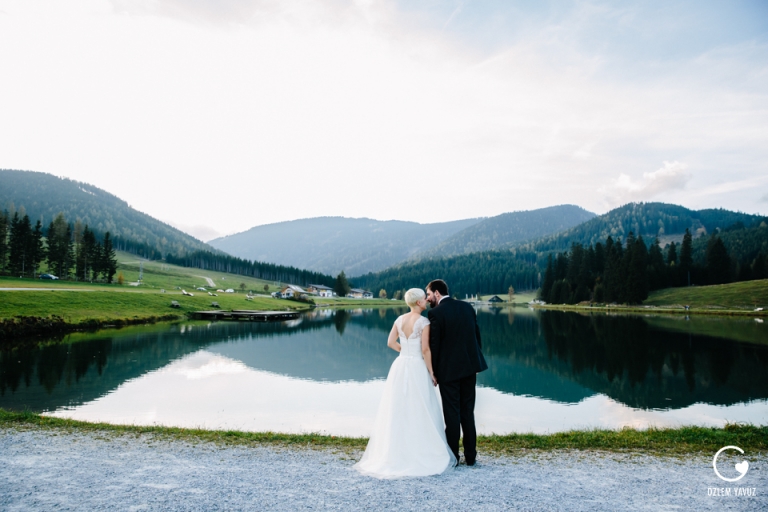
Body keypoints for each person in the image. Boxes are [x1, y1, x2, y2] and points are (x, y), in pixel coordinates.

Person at [354, 288, 456, 478]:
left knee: (398, 405)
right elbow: (425, 350)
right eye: (424, 299)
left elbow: (390, 342)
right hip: (417, 366)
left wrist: (405, 351)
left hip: (400, 365)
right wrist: (432, 372)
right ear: (418, 302)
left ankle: (396, 449)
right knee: (420, 404)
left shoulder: (399, 319)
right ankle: (421, 448)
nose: (427, 301)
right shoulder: (424, 322)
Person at [426, 279, 487, 466]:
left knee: (452, 413)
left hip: (448, 371)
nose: (427, 298)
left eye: (428, 294)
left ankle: (453, 457)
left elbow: (435, 346)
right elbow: (476, 337)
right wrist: (475, 363)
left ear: (437, 293)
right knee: (468, 411)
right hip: (469, 368)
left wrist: (433, 372)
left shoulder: (435, 313)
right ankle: (471, 456)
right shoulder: (467, 307)